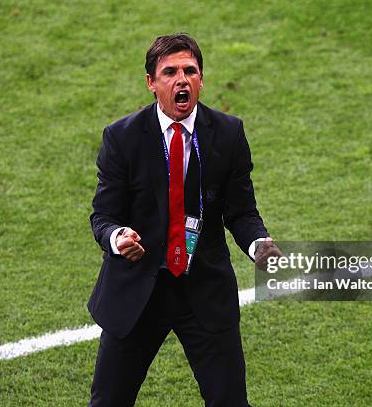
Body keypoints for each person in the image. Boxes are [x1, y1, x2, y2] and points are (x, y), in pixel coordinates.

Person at [87, 33, 280, 407]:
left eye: (190, 71)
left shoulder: (228, 133)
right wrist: (118, 237)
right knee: (108, 402)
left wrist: (259, 244)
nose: (182, 80)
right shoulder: (121, 138)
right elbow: (104, 216)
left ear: (201, 80)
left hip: (203, 290)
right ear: (151, 83)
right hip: (138, 291)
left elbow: (240, 211)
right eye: (170, 72)